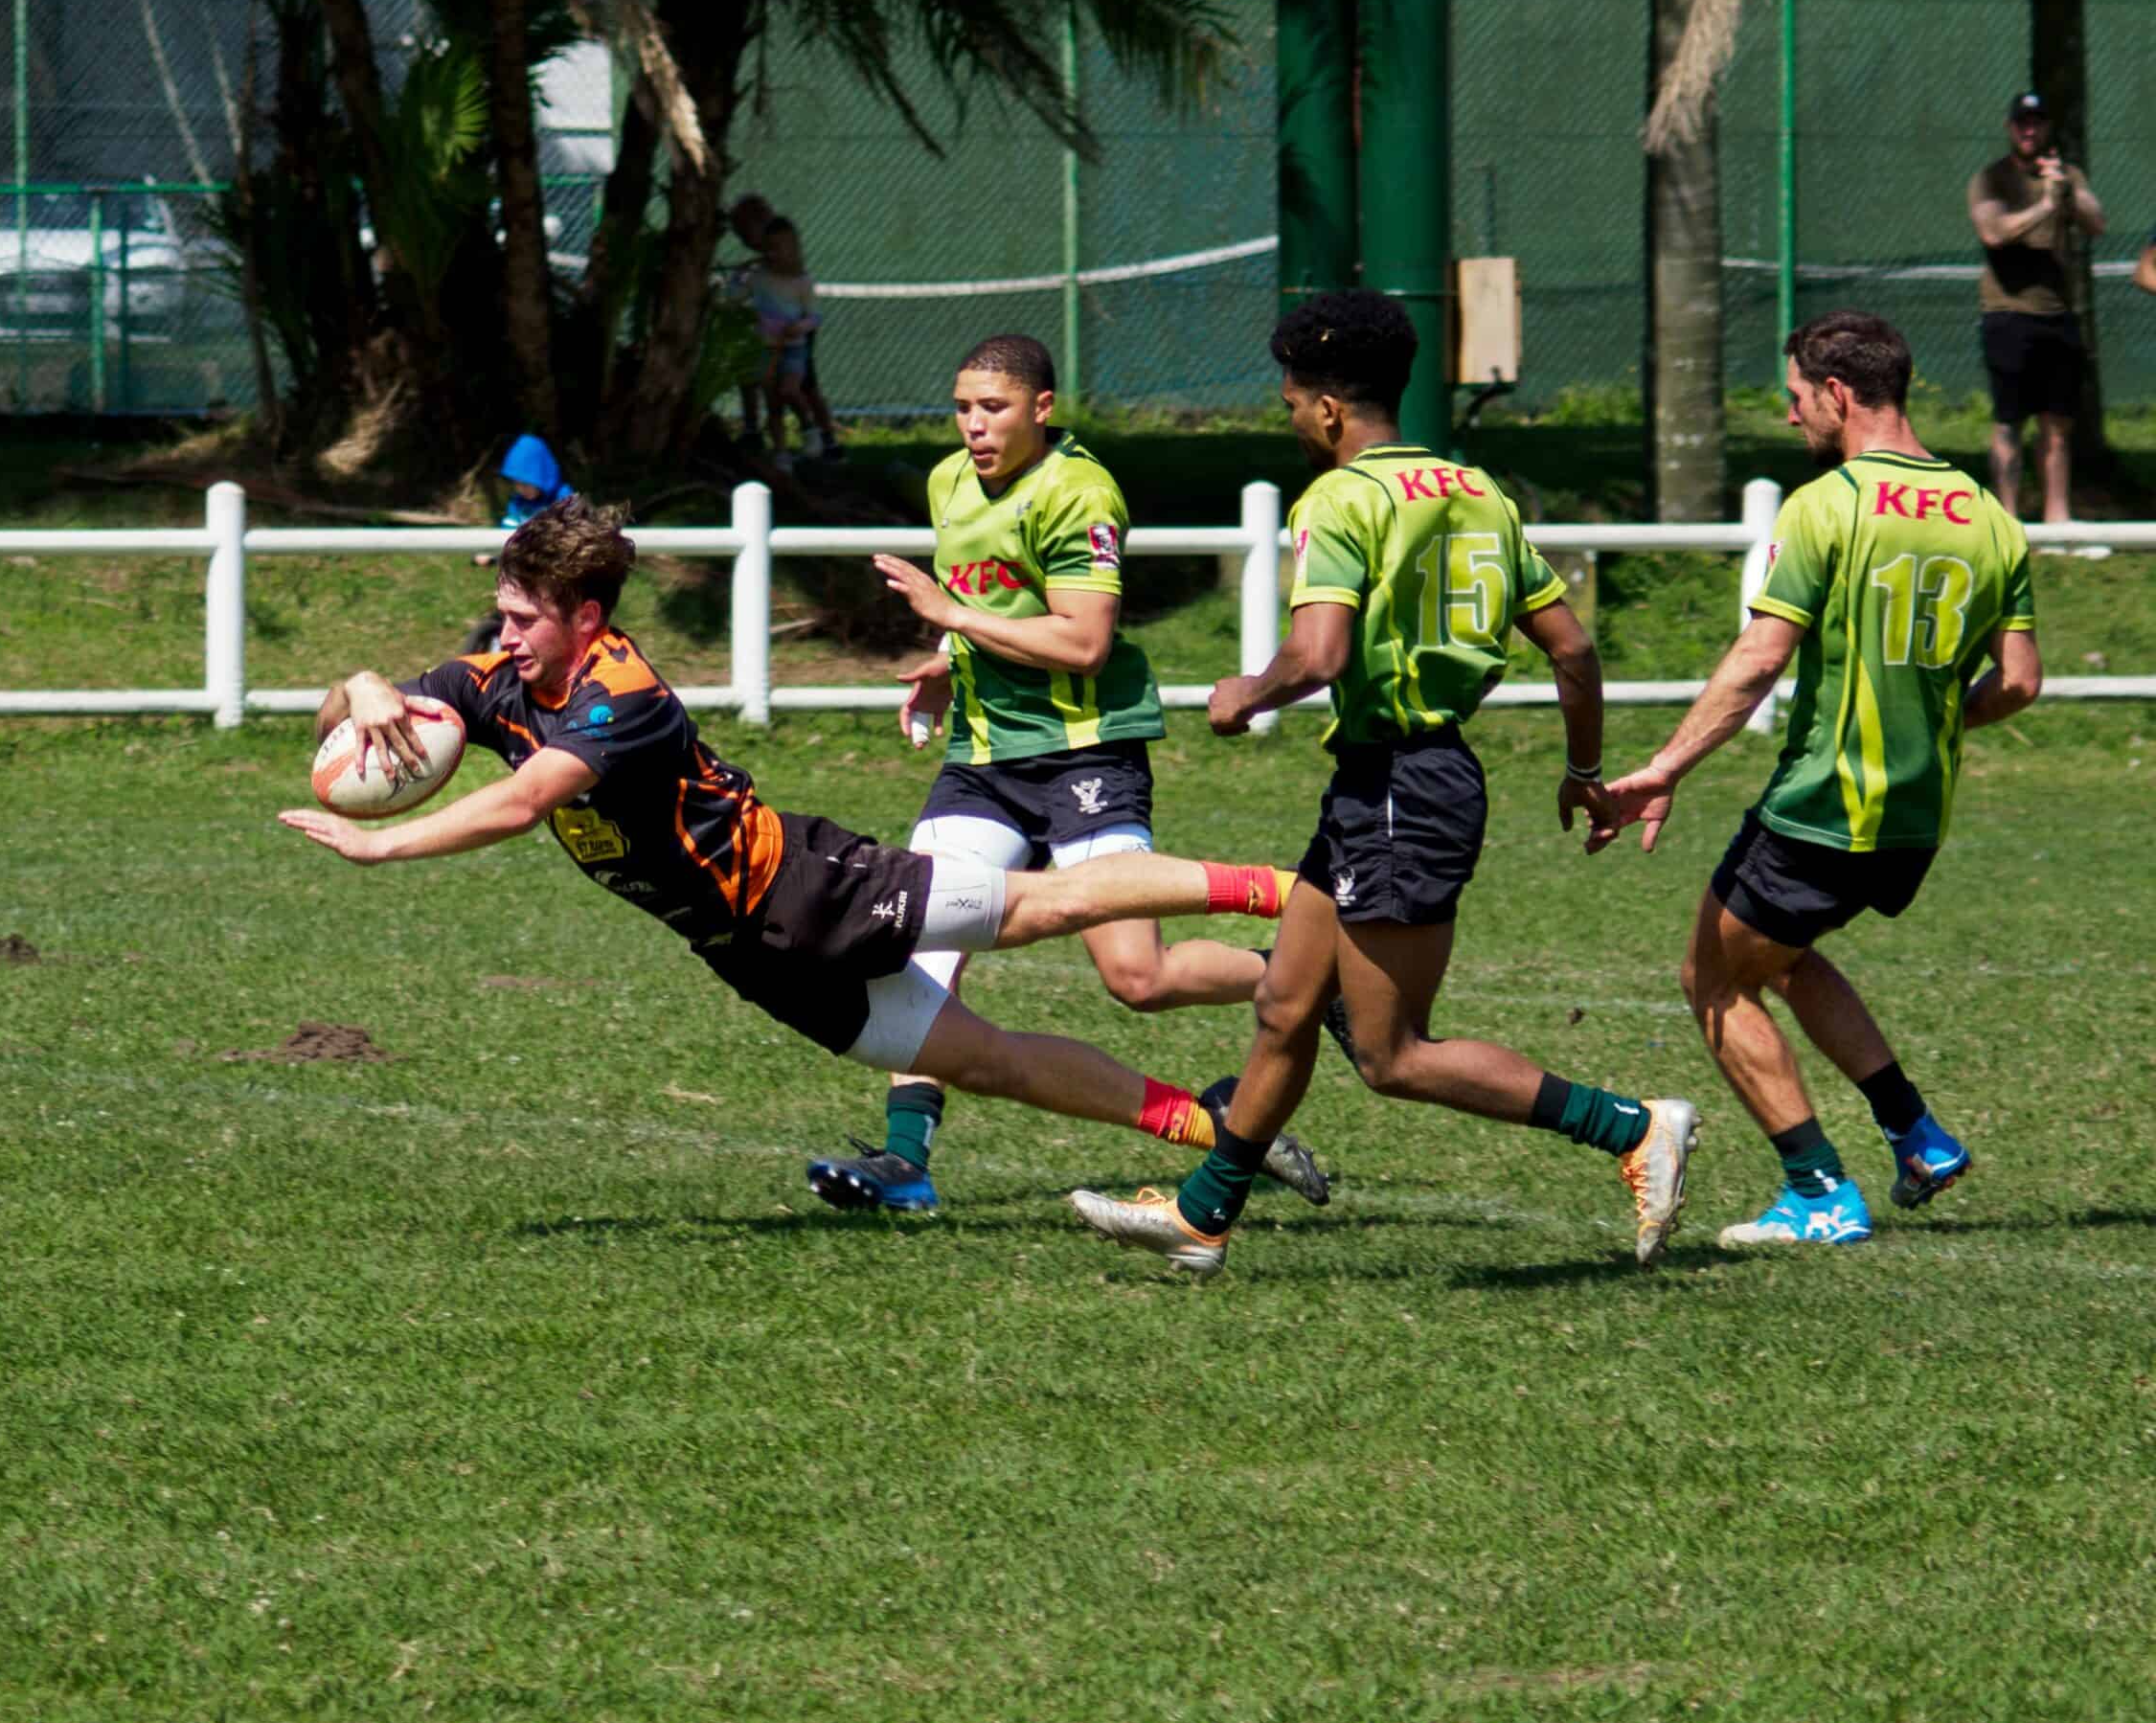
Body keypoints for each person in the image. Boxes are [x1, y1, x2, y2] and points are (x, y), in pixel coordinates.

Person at [280, 496, 1319, 1188]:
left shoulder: (621, 696)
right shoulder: (493, 681)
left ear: (586, 616)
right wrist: (364, 687)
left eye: (522, 619)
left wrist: (383, 848)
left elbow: (521, 804)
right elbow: (356, 712)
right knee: (987, 1062)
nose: (502, 636)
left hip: (810, 888)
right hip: (749, 953)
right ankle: (1222, 1130)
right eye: (500, 615)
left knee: (1045, 907)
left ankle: (1295, 893)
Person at [1066, 289, 1699, 1278]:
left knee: (1391, 1053)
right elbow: (1573, 649)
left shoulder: (1340, 499)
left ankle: (1633, 1126)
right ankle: (1202, 1217)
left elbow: (1319, 653)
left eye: (1289, 403)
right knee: (1285, 1003)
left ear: (1326, 408)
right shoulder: (1479, 492)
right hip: (1394, 778)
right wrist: (1583, 770)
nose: (1290, 420)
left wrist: (1247, 692)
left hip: (1403, 786)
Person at [802, 332, 1321, 1217]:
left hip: (1085, 753)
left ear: (1042, 408)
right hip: (982, 760)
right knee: (920, 949)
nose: (973, 426)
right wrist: (946, 662)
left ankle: (1304, 967)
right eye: (962, 408)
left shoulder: (1080, 492)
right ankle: (906, 1162)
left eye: (993, 408)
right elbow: (991, 608)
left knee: (1138, 980)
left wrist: (949, 615)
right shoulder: (948, 482)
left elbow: (1084, 643)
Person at [1593, 310, 2041, 1248]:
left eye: (1796, 397)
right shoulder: (1991, 519)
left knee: (1711, 979)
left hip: (1826, 803)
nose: (1790, 415)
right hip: (1915, 815)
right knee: (1783, 957)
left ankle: (1819, 1191)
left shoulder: (1828, 506)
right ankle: (1918, 1137)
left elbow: (1760, 658)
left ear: (1838, 393)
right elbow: (2021, 682)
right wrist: (1930, 720)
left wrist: (1665, 766)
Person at [1967, 91, 2105, 526]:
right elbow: (1993, 232)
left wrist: (2065, 192)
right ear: (2010, 127)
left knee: (2058, 424)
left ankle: (2056, 519)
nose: (2030, 130)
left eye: (2037, 122)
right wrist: (2044, 207)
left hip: (2057, 316)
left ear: (2047, 128)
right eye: (2022, 122)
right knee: (2008, 422)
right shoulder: (1991, 179)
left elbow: (2096, 224)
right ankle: (2006, 520)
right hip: (2007, 314)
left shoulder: (2067, 177)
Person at [727, 193, 839, 463]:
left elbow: (808, 310)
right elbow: (740, 292)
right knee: (757, 382)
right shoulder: (760, 269)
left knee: (805, 386)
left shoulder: (786, 257)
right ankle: (757, 433)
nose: (746, 241)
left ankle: (827, 439)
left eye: (745, 231)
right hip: (767, 338)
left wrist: (799, 327)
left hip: (794, 335)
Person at [751, 216, 836, 469]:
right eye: (768, 247)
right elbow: (735, 296)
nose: (772, 253)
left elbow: (814, 316)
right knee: (773, 403)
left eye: (779, 247)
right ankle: (781, 453)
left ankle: (809, 428)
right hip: (765, 347)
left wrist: (798, 327)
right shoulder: (757, 277)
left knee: (789, 389)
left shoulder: (802, 282)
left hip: (793, 348)